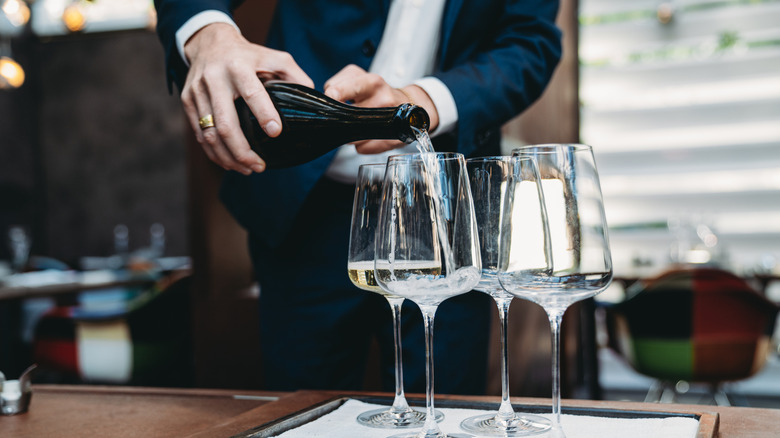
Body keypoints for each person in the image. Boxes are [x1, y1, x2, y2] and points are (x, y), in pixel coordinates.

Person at [153, 0, 562, 394]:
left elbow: (530, 43)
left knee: (444, 407)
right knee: (305, 408)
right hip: (307, 208)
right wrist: (208, 36)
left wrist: (426, 101)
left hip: (446, 213)